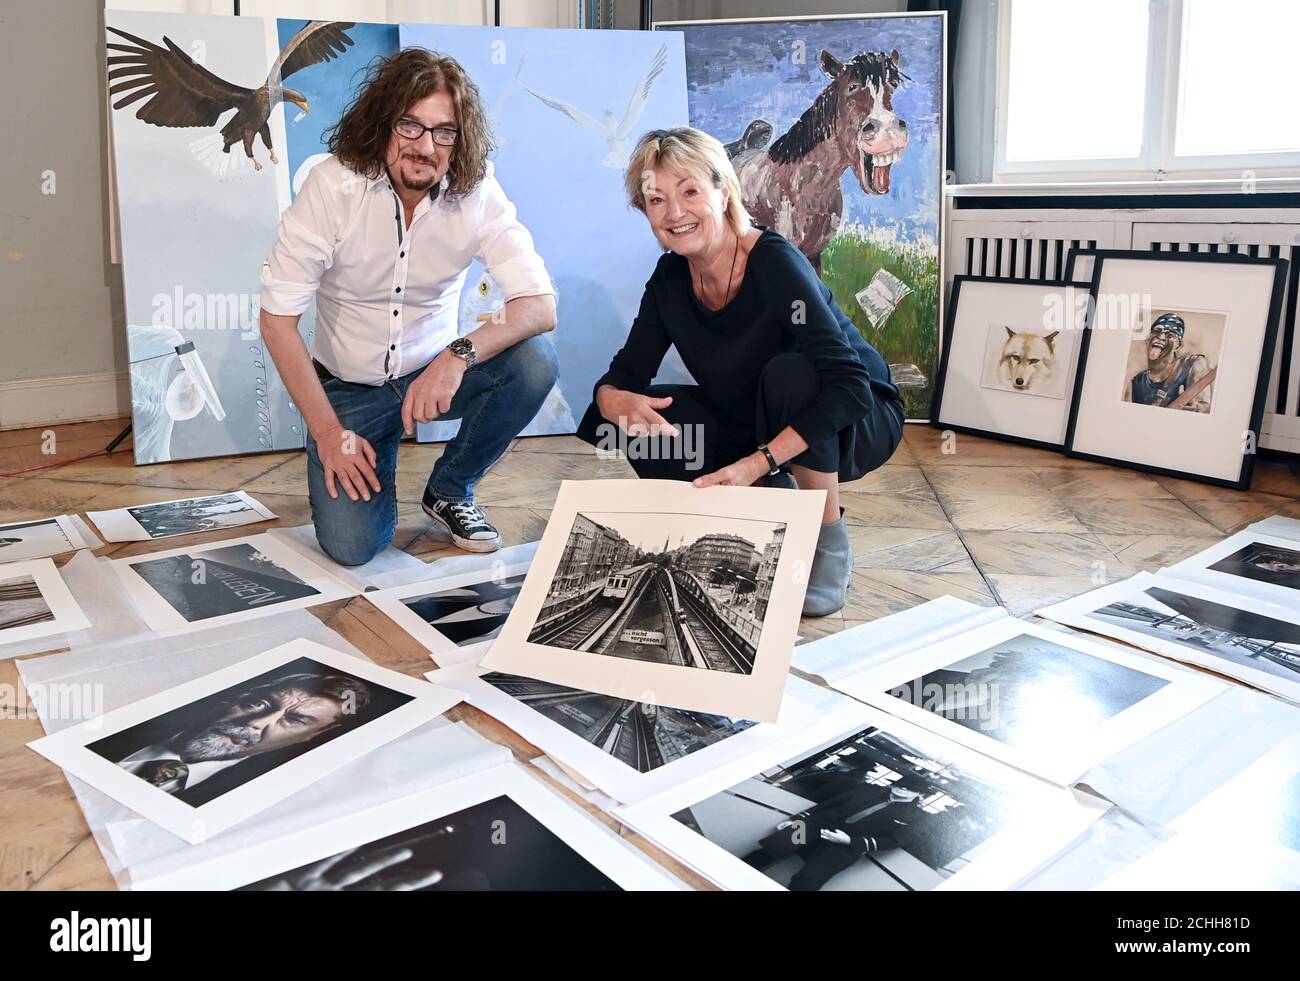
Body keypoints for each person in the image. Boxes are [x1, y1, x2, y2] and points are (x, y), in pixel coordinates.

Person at [577, 127, 904, 616]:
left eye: (689, 191)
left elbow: (849, 387)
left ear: (723, 191)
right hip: (753, 417)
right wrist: (612, 399)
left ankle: (825, 541)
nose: (675, 212)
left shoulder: (773, 261)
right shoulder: (670, 279)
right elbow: (626, 372)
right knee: (628, 421)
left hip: (850, 417)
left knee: (791, 374)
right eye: (656, 200)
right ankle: (738, 514)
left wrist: (757, 463)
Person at [259, 50, 559, 562]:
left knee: (534, 362)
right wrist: (329, 433)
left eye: (445, 132)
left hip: (431, 383)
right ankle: (373, 454)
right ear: (382, 124)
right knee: (353, 548)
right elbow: (277, 322)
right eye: (410, 127)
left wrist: (456, 356)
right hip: (348, 395)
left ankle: (450, 488)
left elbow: (539, 305)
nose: (426, 147)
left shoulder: (477, 191)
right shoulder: (332, 186)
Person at [93, 671, 373, 807]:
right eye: (261, 704)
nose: (254, 723)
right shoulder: (118, 720)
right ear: (239, 697)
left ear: (314, 735)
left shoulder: (260, 800)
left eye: (296, 720)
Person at [1126, 313, 1213, 412]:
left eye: (1170, 335)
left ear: (1178, 346)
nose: (1161, 337)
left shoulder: (1192, 365)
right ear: (1148, 340)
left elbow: (1205, 407)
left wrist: (1195, 407)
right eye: (1156, 332)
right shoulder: (1138, 380)